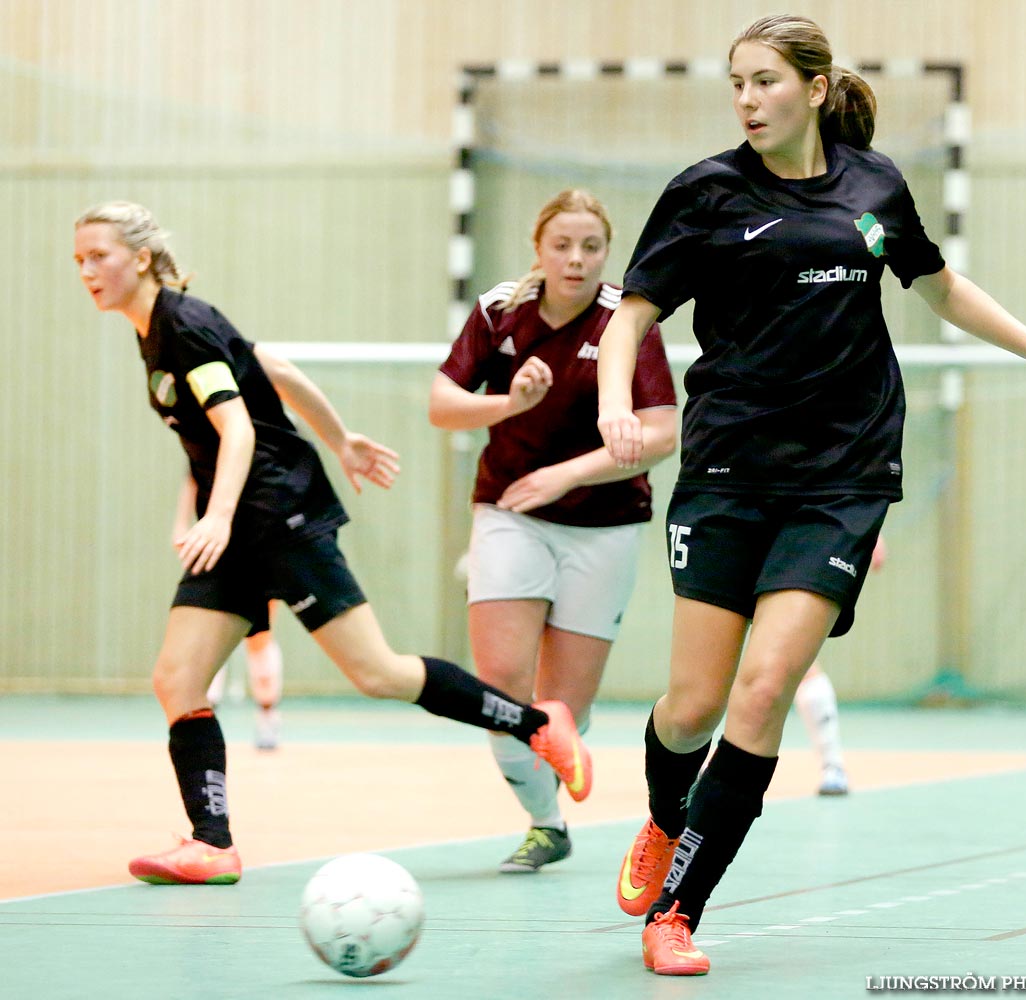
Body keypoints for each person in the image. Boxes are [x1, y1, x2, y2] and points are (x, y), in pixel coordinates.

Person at [595, 14, 1026, 976]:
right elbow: (635, 315)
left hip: (844, 476)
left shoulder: (875, 186)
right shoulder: (704, 192)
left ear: (815, 89)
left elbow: (939, 286)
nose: (747, 100)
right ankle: (665, 819)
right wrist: (617, 402)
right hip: (728, 472)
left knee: (766, 686)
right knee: (693, 706)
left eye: (765, 82)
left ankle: (678, 912)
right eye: (735, 83)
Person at [72, 200, 593, 887]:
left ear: (139, 258)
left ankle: (535, 724)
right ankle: (212, 843)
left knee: (376, 672)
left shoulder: (182, 326)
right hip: (239, 525)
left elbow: (240, 430)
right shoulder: (160, 328)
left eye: (98, 256)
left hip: (277, 515)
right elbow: (273, 369)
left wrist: (218, 514)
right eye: (78, 261)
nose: (87, 271)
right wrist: (340, 438)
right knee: (177, 678)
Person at [429, 190, 677, 873]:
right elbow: (442, 406)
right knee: (503, 688)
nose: (576, 259)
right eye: (562, 245)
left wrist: (566, 475)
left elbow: (661, 434)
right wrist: (511, 402)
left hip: (603, 525)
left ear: (606, 252)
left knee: (564, 711)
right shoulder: (499, 310)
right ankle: (545, 824)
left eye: (591, 247)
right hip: (509, 512)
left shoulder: (626, 320)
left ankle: (551, 782)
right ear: (538, 247)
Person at [174, 475, 284, 750]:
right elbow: (193, 476)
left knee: (259, 636)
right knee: (211, 630)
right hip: (218, 542)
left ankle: (267, 715)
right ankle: (207, 712)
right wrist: (180, 523)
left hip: (263, 544)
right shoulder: (213, 440)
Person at [795, 532, 886, 796]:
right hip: (732, 523)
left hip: (791, 531)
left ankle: (832, 766)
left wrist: (872, 530)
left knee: (801, 660)